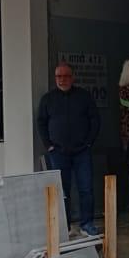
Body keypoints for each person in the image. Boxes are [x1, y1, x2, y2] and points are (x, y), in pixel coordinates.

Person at [36, 63, 101, 236]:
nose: (62, 80)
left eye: (66, 76)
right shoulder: (48, 99)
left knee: (86, 188)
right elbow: (41, 122)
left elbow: (95, 120)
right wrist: (48, 145)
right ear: (55, 78)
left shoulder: (84, 97)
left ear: (73, 77)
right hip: (58, 152)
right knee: (62, 190)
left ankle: (87, 224)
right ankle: (65, 226)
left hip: (82, 151)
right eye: (59, 76)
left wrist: (89, 142)